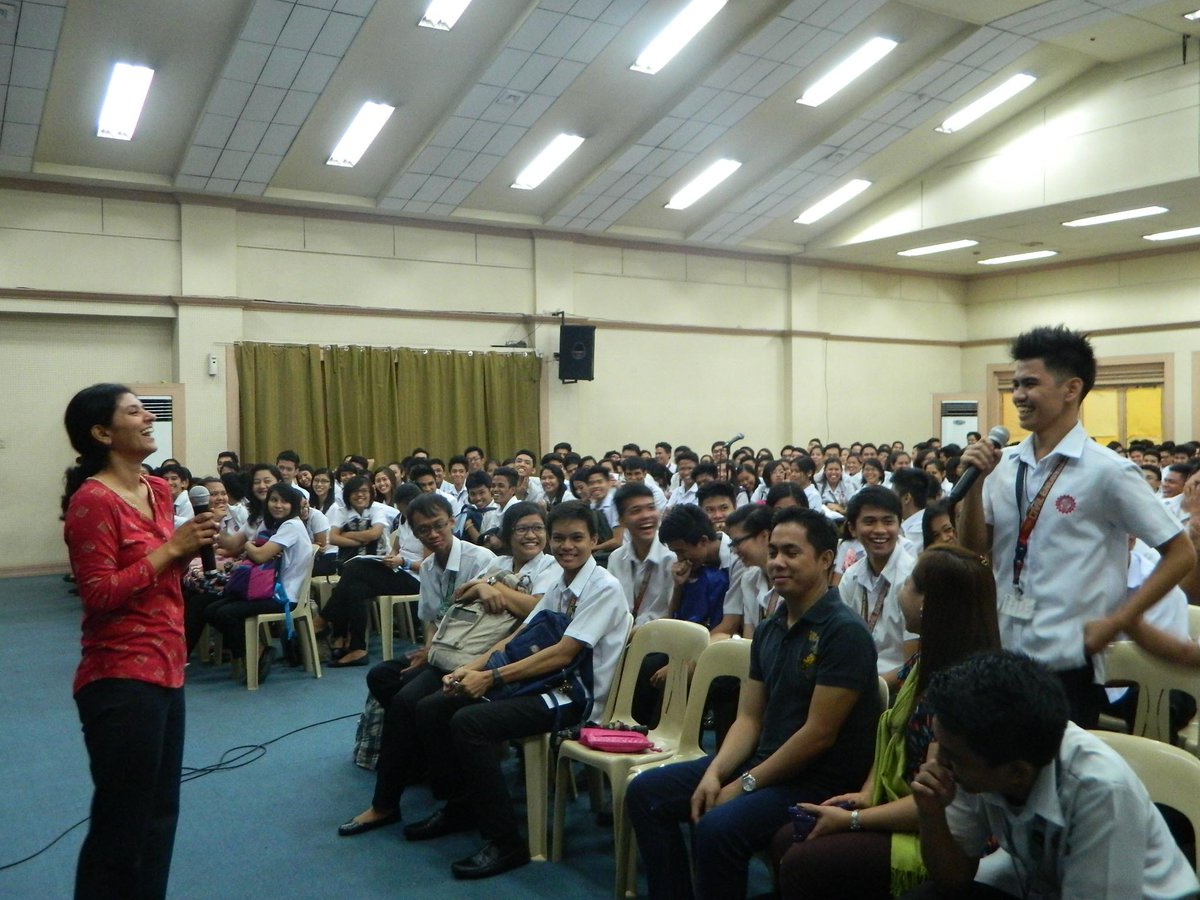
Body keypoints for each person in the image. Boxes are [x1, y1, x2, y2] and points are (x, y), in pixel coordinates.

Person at [626, 507, 881, 900]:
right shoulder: (770, 628)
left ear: (826, 559)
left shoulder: (843, 632)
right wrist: (717, 772)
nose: (778, 561)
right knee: (646, 792)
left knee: (717, 827)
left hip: (817, 779)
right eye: (774, 550)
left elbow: (817, 735)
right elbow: (748, 717)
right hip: (764, 762)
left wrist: (743, 784)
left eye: (792, 552)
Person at [956, 325, 1194, 727]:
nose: (1017, 395)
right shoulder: (1005, 464)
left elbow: (1181, 553)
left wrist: (1119, 620)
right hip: (1001, 650)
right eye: (1014, 384)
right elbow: (975, 547)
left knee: (1058, 783)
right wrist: (976, 482)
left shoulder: (1108, 472)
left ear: (1071, 389)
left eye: (1030, 383)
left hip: (1066, 663)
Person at [402, 501, 631, 879]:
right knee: (434, 707)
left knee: (469, 723)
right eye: (559, 538)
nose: (566, 546)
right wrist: (467, 669)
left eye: (577, 538)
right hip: (543, 683)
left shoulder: (603, 587)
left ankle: (507, 842)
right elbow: (518, 637)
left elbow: (562, 654)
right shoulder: (561, 583)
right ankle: (462, 806)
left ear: (595, 540)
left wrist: (491, 679)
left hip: (575, 696)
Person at [772, 545, 1001, 899]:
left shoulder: (964, 692)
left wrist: (853, 820)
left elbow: (934, 798)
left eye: (910, 584)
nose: (901, 590)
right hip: (902, 807)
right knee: (788, 836)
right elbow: (891, 734)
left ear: (930, 603)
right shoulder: (924, 662)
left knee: (805, 860)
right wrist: (866, 794)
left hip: (939, 833)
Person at [62, 383, 218, 899]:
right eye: (134, 412)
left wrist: (196, 552)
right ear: (103, 433)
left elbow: (166, 571)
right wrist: (172, 548)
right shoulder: (92, 502)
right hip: (120, 676)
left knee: (159, 815)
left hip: (168, 666)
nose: (149, 417)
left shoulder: (156, 489)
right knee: (121, 825)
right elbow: (100, 593)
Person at [907, 651, 1199, 899]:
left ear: (1016, 773)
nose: (938, 761)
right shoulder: (977, 755)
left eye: (951, 756)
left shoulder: (1099, 789)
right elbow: (952, 880)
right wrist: (931, 815)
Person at [337, 501, 548, 839]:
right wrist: (480, 591)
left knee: (419, 705)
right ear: (508, 535)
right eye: (521, 529)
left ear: (452, 522)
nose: (530, 535)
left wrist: (491, 589)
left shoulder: (528, 564)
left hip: (492, 658)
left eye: (537, 528)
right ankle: (408, 778)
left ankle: (433, 797)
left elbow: (538, 612)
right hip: (456, 650)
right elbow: (450, 610)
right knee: (390, 684)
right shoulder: (499, 562)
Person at [204, 483, 313, 681]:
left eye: (284, 501)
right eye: (273, 500)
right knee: (212, 610)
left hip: (284, 595)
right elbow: (253, 551)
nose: (278, 505)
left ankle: (257, 654)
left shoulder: (292, 525)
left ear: (294, 505)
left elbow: (260, 555)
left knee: (225, 613)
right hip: (265, 588)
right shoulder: (270, 524)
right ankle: (256, 652)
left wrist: (248, 546)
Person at [840, 486, 919, 691]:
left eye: (888, 521)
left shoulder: (913, 577)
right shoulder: (851, 577)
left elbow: (913, 664)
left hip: (895, 691)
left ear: (899, 525)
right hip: (855, 683)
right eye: (869, 521)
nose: (880, 530)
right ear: (852, 528)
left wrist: (866, 690)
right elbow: (841, 643)